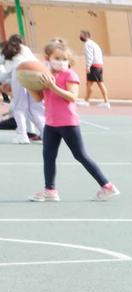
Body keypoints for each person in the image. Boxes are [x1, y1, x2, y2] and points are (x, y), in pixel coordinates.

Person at [30, 41, 117, 203]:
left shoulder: (70, 75)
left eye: (64, 59)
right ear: (47, 58)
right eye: (57, 58)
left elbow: (72, 97)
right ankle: (50, 190)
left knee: (80, 155)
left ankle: (107, 186)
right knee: (48, 156)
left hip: (68, 123)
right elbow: (38, 98)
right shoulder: (47, 75)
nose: (61, 61)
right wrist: (28, 85)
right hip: (51, 123)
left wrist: (53, 86)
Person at [3, 36, 45, 144]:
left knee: (19, 106)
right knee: (35, 109)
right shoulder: (26, 49)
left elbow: (7, 72)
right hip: (37, 73)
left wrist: (7, 82)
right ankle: (45, 134)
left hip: (20, 73)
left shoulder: (7, 50)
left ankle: (22, 135)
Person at [79, 29, 109, 105]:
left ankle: (106, 102)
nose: (80, 36)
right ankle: (86, 100)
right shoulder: (94, 44)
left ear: (86, 36)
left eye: (81, 35)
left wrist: (88, 66)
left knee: (99, 83)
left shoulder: (87, 44)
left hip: (94, 66)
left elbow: (90, 56)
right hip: (99, 66)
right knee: (89, 83)